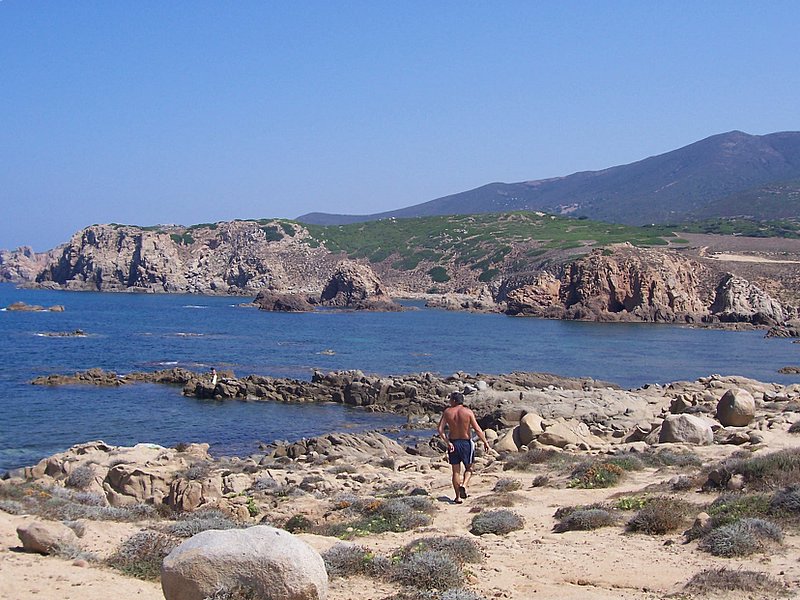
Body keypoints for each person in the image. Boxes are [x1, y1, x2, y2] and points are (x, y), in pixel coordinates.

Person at [437, 391, 490, 504]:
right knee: (469, 468)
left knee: (455, 472)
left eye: (450, 399)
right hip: (466, 443)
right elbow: (477, 429)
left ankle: (458, 497)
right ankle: (464, 486)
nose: (449, 401)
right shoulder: (468, 412)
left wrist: (447, 442)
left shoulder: (447, 412)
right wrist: (485, 442)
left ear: (454, 400)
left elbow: (440, 429)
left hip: (453, 443)